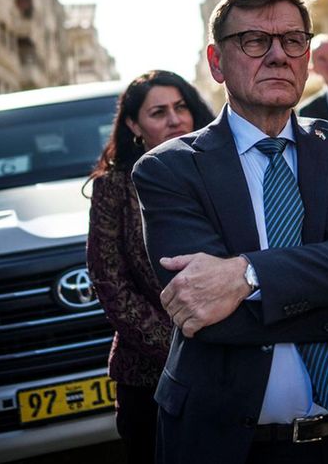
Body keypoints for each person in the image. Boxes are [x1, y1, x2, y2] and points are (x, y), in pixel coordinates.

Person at [131, 0, 328, 464]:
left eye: (292, 40)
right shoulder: (169, 169)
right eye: (254, 41)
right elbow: (208, 315)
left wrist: (247, 275)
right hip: (233, 444)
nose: (278, 55)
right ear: (216, 62)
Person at [89, 70, 216, 463]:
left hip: (233, 367)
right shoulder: (113, 187)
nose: (175, 119)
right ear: (133, 125)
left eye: (180, 107)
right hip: (149, 377)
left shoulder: (220, 171)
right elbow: (109, 281)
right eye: (158, 112)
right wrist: (181, 347)